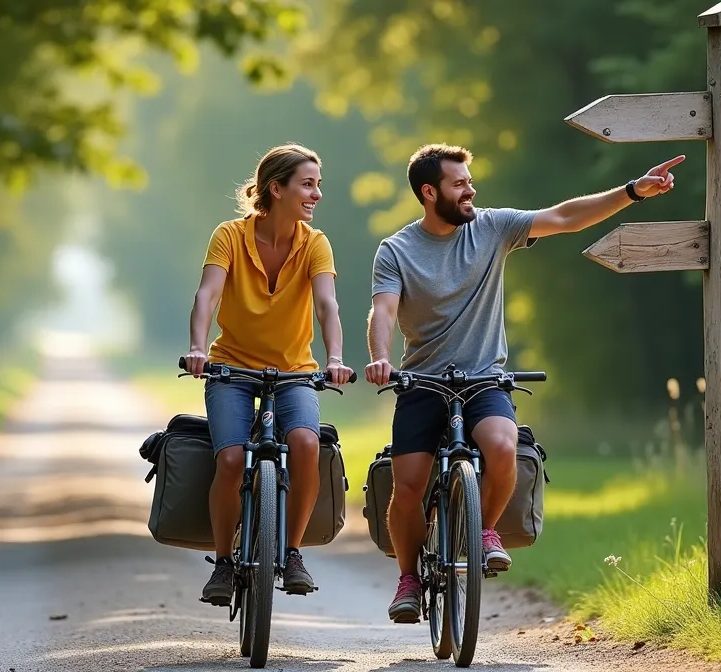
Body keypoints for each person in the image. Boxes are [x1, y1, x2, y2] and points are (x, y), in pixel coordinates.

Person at [364, 143, 683, 623]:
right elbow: (384, 309)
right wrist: (380, 359)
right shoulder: (397, 250)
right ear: (429, 193)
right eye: (459, 184)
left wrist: (633, 191)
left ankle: (485, 530)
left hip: (484, 378)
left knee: (503, 444)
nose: (470, 190)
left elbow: (564, 217)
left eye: (470, 181)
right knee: (407, 485)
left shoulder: (492, 227)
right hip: (422, 381)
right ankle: (409, 579)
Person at [182, 143, 355, 606]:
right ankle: (222, 562)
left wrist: (335, 358)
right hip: (231, 368)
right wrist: (198, 349)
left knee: (304, 444)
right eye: (308, 184)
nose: (317, 194)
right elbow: (207, 296)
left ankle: (293, 552)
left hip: (294, 371)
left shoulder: (315, 243)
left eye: (318, 185)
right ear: (275, 188)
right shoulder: (230, 235)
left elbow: (326, 305)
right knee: (232, 458)